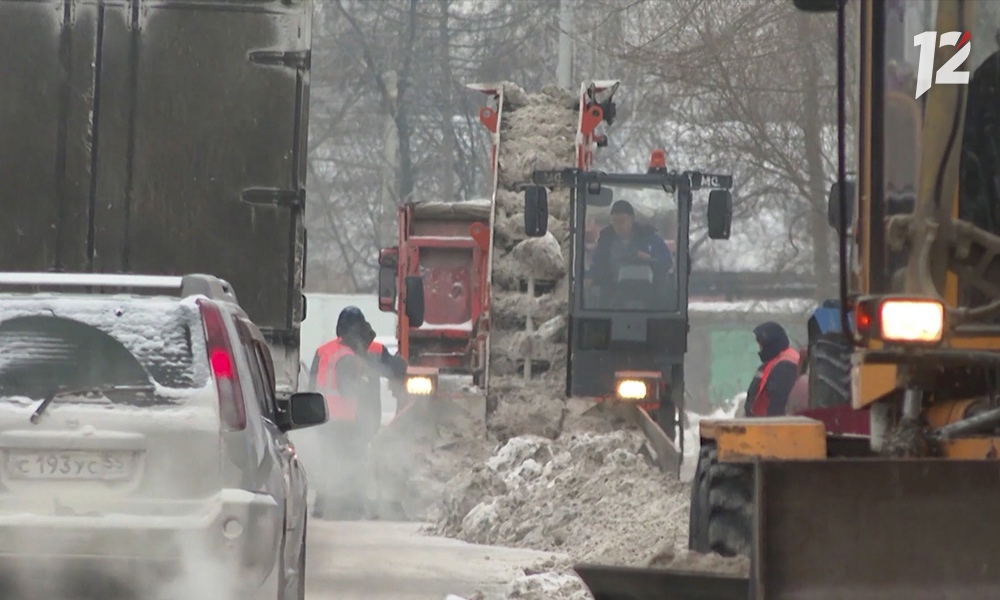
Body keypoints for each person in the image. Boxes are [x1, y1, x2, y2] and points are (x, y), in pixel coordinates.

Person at [588, 200, 674, 305]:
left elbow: (667, 262)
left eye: (622, 221)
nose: (619, 226)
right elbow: (597, 265)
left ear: (632, 219)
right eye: (615, 221)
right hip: (613, 292)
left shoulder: (650, 238)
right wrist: (590, 278)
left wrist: (650, 260)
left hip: (649, 293)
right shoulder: (605, 242)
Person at [744, 322, 800, 417]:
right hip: (761, 423)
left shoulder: (784, 367)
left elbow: (778, 405)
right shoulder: (775, 361)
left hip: (768, 426)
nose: (759, 349)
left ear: (770, 344)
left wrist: (772, 428)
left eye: (761, 345)